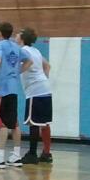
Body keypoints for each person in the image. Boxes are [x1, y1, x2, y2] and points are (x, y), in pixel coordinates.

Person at [0, 21, 23, 169]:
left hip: (1, 89)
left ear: (0, 32)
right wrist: (16, 73)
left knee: (0, 123)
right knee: (14, 123)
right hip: (13, 88)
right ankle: (16, 156)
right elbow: (29, 61)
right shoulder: (16, 46)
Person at [18, 28, 53, 165]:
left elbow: (29, 63)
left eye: (18, 33)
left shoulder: (23, 50)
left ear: (22, 37)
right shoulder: (36, 51)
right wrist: (43, 80)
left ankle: (32, 154)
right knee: (44, 123)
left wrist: (15, 73)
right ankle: (46, 153)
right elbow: (47, 66)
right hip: (45, 89)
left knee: (33, 123)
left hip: (35, 91)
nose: (16, 35)